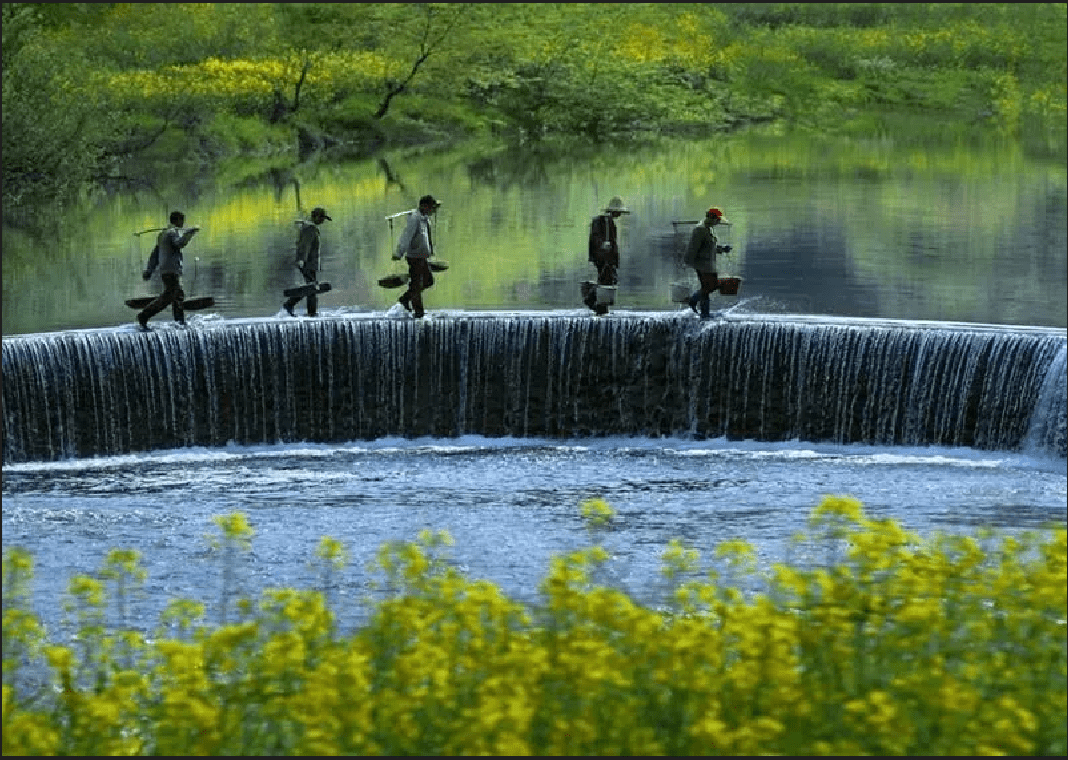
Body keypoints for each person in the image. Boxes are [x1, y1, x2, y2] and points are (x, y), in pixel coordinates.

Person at [137, 211, 200, 330]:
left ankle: (179, 322)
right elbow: (179, 243)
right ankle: (144, 315)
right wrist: (189, 233)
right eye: (182, 221)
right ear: (177, 220)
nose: (183, 223)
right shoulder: (172, 233)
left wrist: (149, 270)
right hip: (171, 271)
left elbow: (155, 254)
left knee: (178, 295)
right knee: (169, 296)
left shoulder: (162, 234)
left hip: (165, 270)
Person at [393, 194, 441, 319]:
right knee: (416, 284)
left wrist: (430, 251)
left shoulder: (424, 218)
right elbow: (406, 236)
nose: (433, 210)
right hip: (414, 257)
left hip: (422, 257)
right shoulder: (414, 218)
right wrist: (399, 252)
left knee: (428, 281)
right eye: (431, 207)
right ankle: (418, 313)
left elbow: (426, 237)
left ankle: (405, 299)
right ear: (424, 206)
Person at [583, 196, 629, 316]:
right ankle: (595, 303)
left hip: (606, 260)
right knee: (605, 281)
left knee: (607, 281)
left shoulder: (609, 223)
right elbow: (596, 239)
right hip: (603, 259)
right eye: (618, 212)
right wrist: (603, 246)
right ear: (614, 211)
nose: (619, 214)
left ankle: (601, 307)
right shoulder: (602, 222)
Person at [684, 207, 732, 318]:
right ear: (712, 218)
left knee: (706, 289)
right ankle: (693, 300)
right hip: (703, 265)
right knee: (711, 286)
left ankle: (705, 314)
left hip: (709, 265)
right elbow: (692, 248)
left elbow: (710, 247)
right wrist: (689, 262)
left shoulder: (708, 229)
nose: (719, 222)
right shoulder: (699, 230)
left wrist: (722, 249)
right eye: (718, 220)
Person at [284, 206, 331, 317]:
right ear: (316, 217)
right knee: (312, 289)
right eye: (322, 218)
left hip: (309, 263)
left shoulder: (310, 228)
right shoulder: (309, 229)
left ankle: (294, 306)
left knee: (311, 288)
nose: (323, 221)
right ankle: (309, 312)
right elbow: (304, 246)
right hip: (307, 263)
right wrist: (301, 260)